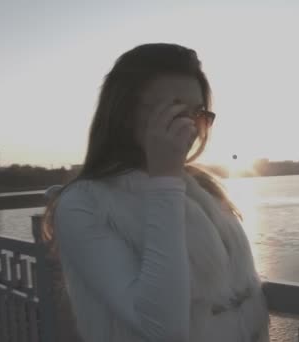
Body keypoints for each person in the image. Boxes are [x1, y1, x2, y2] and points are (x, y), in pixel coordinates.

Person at [42, 43, 270, 342]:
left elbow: (242, 291)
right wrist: (164, 181)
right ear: (124, 113)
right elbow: (162, 328)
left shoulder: (202, 188)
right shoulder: (85, 204)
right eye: (174, 111)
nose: (189, 127)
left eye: (198, 114)